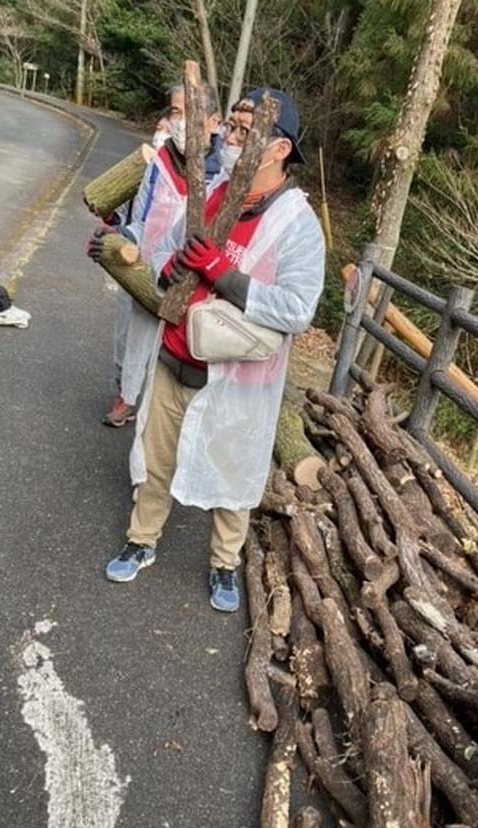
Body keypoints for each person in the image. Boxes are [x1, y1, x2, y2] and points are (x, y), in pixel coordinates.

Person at [104, 88, 325, 613]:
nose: (231, 138)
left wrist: (223, 274)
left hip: (238, 379)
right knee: (154, 459)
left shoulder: (298, 225)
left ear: (278, 150)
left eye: (247, 133)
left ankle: (224, 564)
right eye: (233, 127)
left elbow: (297, 309)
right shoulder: (212, 194)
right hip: (173, 356)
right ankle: (142, 539)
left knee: (233, 470)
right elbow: (163, 247)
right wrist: (169, 268)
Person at [91, 83, 223, 428]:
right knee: (134, 336)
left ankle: (166, 412)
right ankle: (127, 395)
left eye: (188, 113)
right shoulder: (159, 163)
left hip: (199, 277)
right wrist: (120, 239)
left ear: (212, 122)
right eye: (175, 112)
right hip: (151, 270)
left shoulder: (226, 174)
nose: (179, 121)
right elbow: (143, 220)